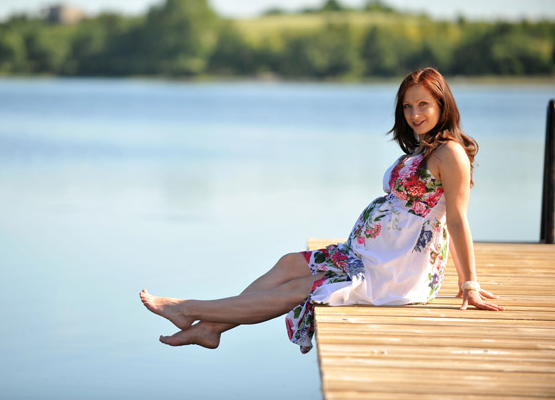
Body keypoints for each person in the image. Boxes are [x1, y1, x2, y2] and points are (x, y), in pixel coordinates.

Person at [140, 67, 504, 354]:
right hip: (370, 254)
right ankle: (209, 329)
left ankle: (190, 310)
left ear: (442, 104)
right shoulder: (424, 149)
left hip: (395, 270)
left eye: (423, 104)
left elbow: (455, 219)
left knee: (301, 287)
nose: (414, 113)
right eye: (408, 106)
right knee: (288, 263)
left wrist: (468, 282)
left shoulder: (450, 153)